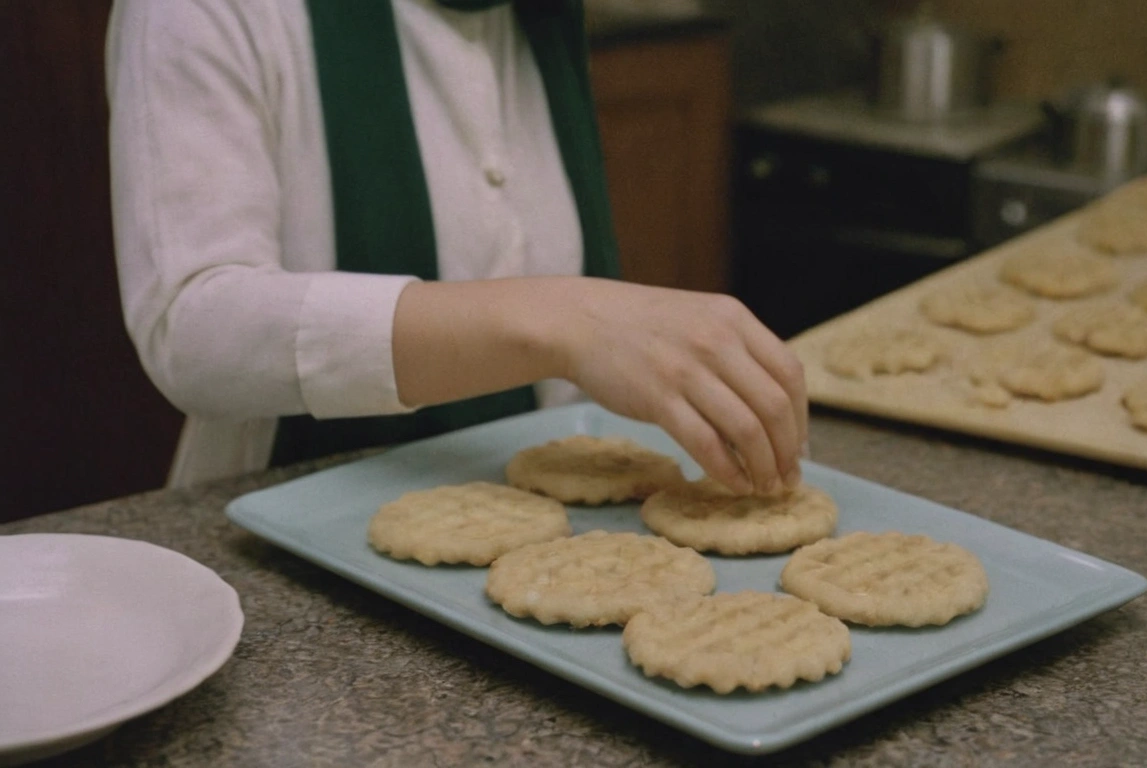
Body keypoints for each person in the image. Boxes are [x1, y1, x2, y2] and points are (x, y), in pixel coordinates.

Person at [106, 0, 807, 497]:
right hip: (279, 551)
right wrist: (563, 318)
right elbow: (191, 327)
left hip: (530, 546)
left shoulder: (539, 16)